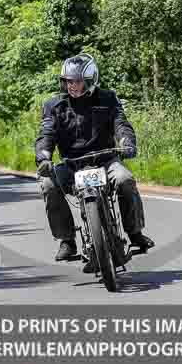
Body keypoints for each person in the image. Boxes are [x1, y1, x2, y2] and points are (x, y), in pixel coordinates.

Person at [35, 53, 154, 272]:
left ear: (91, 80)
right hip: (72, 164)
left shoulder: (108, 98)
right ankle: (67, 240)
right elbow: (46, 133)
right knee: (48, 184)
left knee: (125, 179)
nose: (72, 86)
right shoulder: (54, 105)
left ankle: (134, 232)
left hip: (106, 160)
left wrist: (127, 142)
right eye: (68, 81)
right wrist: (43, 156)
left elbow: (121, 124)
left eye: (78, 81)